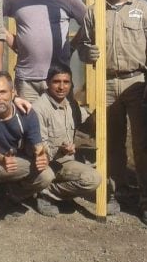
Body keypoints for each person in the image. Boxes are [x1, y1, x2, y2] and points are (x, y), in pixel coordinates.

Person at [78, 0, 147, 225]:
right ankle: (116, 192)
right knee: (111, 142)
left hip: (136, 82)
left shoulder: (143, 10)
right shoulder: (94, 11)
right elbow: (83, 45)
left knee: (143, 143)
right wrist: (86, 53)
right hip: (106, 83)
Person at [0, 71, 55, 238]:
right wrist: (0, 159)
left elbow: (38, 145)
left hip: (11, 163)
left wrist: (41, 155)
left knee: (46, 174)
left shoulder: (27, 113)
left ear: (13, 93)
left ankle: (12, 196)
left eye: (2, 92)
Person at [3, 0, 88, 102]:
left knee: (59, 124)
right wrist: (11, 40)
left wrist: (72, 46)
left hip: (58, 79)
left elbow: (89, 23)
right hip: (26, 80)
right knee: (28, 122)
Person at [32, 64, 102, 217]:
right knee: (89, 178)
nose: (61, 87)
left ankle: (55, 193)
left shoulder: (71, 103)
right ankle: (44, 193)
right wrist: (61, 150)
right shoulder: (39, 108)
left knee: (95, 178)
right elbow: (40, 148)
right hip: (46, 164)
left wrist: (100, 115)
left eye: (66, 82)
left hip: (66, 161)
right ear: (48, 82)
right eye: (57, 81)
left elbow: (85, 126)